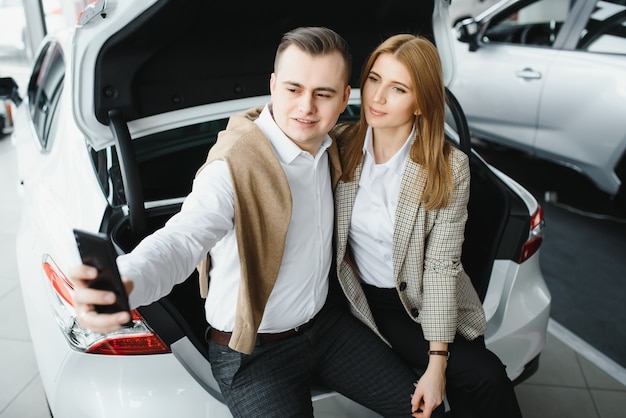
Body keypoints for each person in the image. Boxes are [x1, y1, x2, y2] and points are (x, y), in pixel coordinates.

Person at [70, 26, 430, 418]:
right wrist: (126, 281)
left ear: (345, 97)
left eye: (323, 94)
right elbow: (183, 238)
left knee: (421, 409)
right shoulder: (233, 166)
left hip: (326, 328)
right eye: (293, 89)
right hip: (252, 354)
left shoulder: (334, 147)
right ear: (273, 85)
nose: (306, 107)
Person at [333, 34, 523, 418]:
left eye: (398, 88)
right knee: (479, 377)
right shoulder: (338, 145)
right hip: (371, 300)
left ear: (421, 103)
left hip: (430, 296)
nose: (378, 97)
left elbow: (440, 266)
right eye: (374, 79)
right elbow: (275, 124)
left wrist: (437, 363)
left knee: (482, 378)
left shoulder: (448, 167)